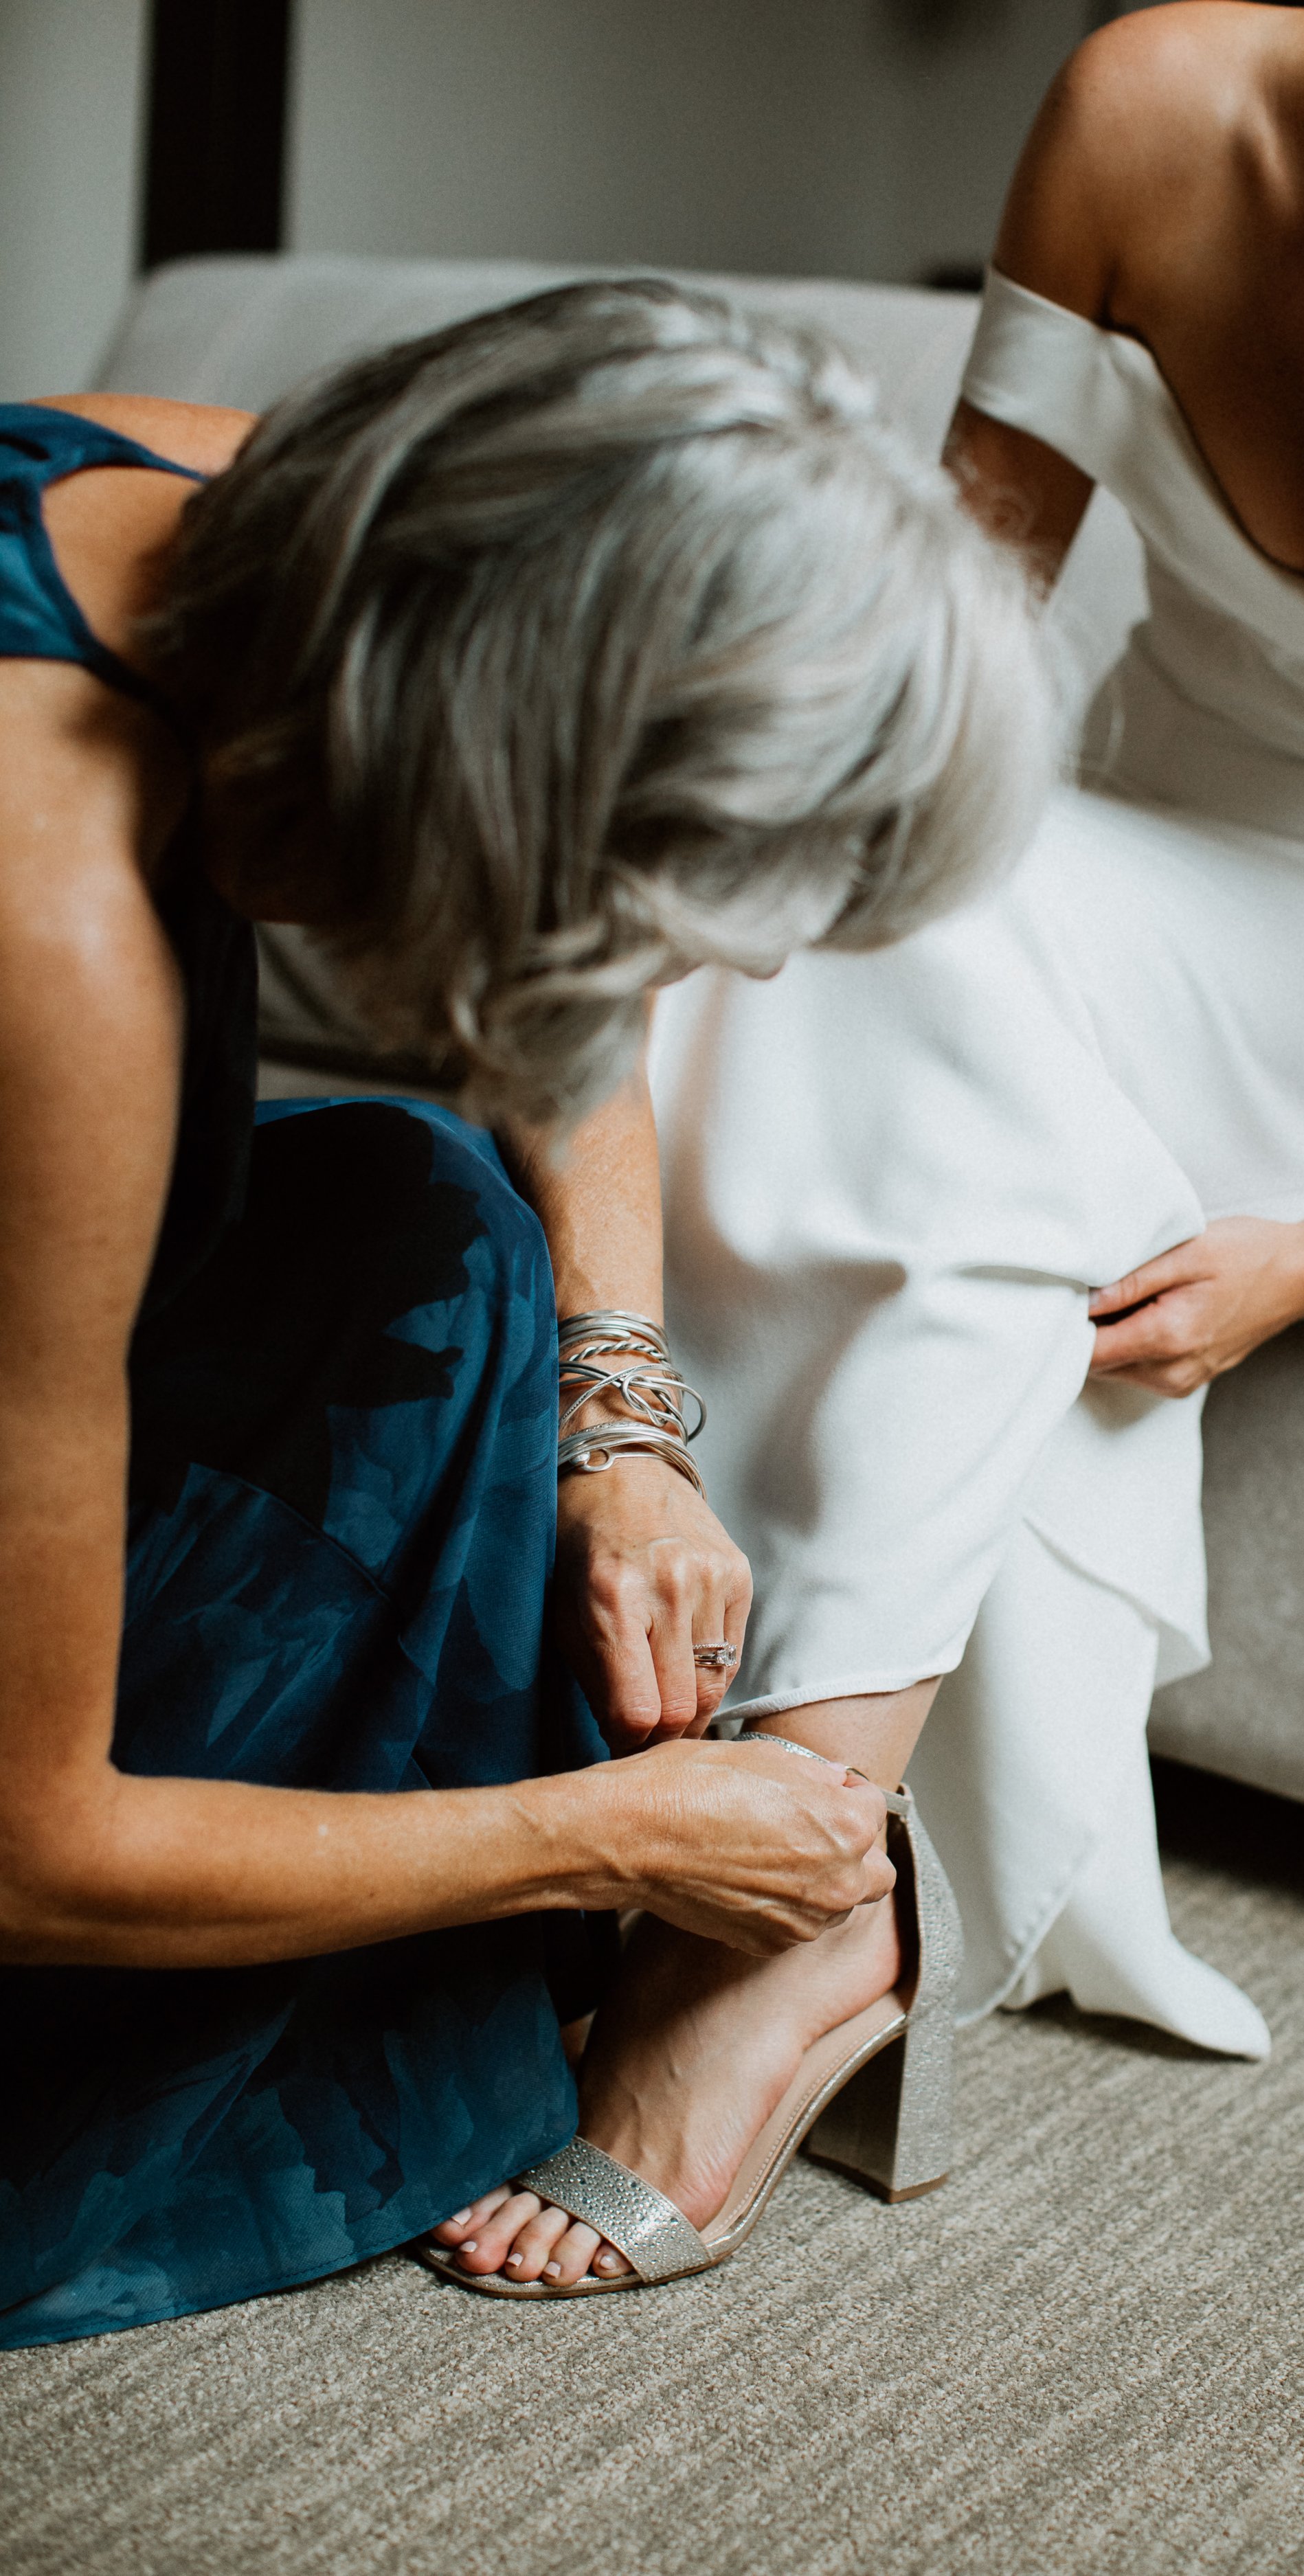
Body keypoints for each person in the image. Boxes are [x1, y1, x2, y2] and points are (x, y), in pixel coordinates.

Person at [440, 0, 1304, 2292]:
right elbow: (949, 626)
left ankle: (785, 1883)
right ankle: (742, 1838)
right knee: (831, 907)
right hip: (1123, 837)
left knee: (934, 940)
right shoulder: (1154, 107)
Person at [0, 277, 1055, 2342]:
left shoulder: (226, 508)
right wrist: (593, 1838)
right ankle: (615, 1930)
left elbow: (556, 1039)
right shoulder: (50, 926)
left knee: (434, 1217)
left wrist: (626, 1424)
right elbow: (24, 1847)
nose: (695, 975)